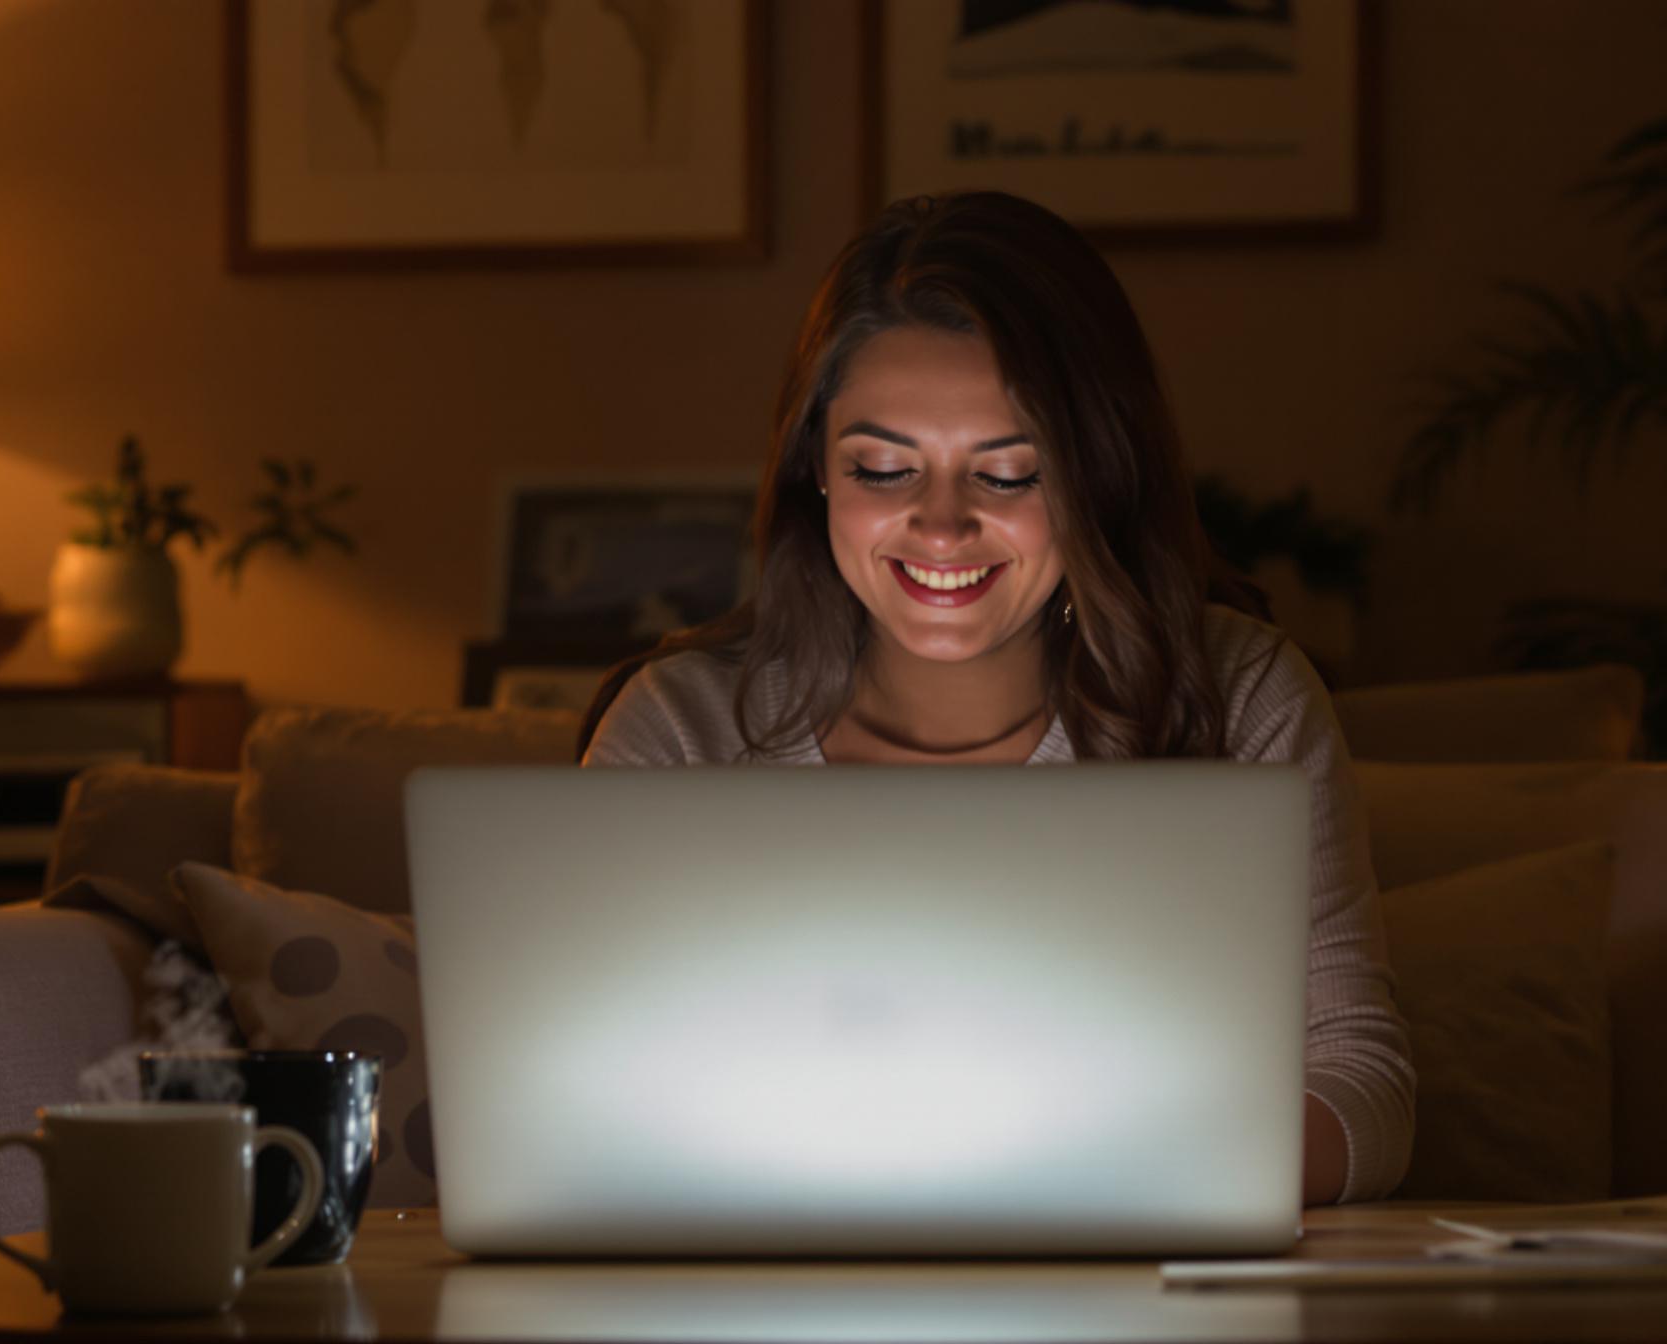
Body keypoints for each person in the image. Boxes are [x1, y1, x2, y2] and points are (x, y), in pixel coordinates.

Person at [575, 192, 1411, 1206]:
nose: (940, 525)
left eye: (1009, 475)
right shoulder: (679, 728)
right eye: (882, 468)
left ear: (1096, 472)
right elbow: (581, 1111)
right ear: (816, 476)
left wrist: (1075, 1184)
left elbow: (1361, 1083)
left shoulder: (1240, 694)